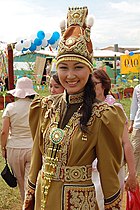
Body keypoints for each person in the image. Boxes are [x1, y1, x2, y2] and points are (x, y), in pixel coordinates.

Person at [23, 7, 127, 210]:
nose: (70, 75)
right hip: (43, 200)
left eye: (78, 67)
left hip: (79, 202)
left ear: (89, 69)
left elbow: (109, 173)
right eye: (64, 68)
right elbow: (37, 156)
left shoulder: (102, 115)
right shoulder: (44, 107)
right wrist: (30, 194)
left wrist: (112, 205)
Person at [92, 69, 137, 209]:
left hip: (112, 167)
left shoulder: (115, 109)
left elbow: (126, 143)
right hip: (88, 168)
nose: (91, 87)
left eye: (94, 83)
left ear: (104, 85)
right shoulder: (84, 109)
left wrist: (132, 173)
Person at [0, 77, 38, 202]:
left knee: (21, 181)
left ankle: (25, 204)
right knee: (31, 180)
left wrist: (3, 148)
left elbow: (4, 131)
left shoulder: (10, 107)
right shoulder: (35, 107)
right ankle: (32, 204)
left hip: (14, 147)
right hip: (32, 147)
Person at [128, 83, 140, 176]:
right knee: (135, 149)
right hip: (138, 124)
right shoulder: (138, 88)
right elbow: (134, 107)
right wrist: (131, 124)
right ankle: (132, 175)